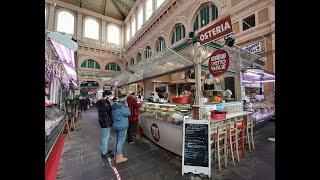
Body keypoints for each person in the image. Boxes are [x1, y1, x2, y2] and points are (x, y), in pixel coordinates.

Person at [112, 98, 131, 164]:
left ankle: (115, 155)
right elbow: (128, 114)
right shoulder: (122, 108)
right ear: (123, 102)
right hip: (122, 126)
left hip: (116, 125)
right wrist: (127, 106)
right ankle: (119, 157)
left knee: (117, 140)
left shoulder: (114, 107)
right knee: (121, 141)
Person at [96, 90, 114, 159]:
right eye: (109, 95)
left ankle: (105, 149)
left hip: (103, 121)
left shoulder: (101, 102)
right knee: (105, 137)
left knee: (105, 137)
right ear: (106, 95)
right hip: (106, 122)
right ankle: (104, 153)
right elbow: (110, 111)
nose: (110, 97)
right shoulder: (105, 103)